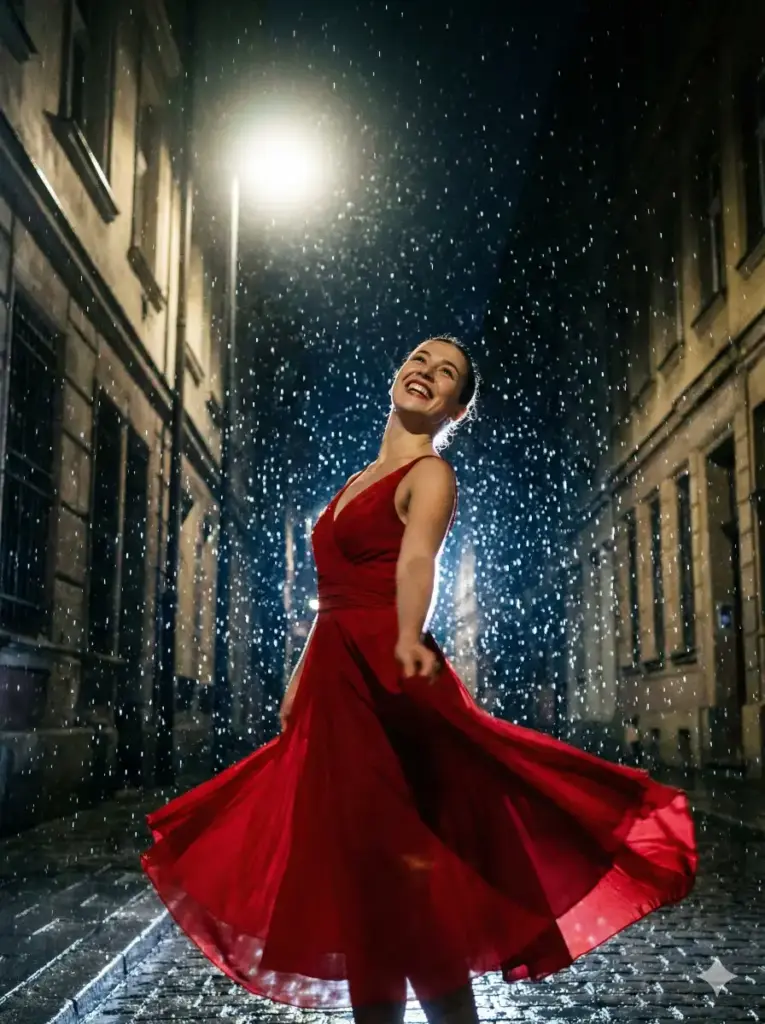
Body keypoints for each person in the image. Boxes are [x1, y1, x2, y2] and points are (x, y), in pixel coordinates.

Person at [141, 336, 698, 1024]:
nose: (427, 373)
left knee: (395, 879)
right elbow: (334, 593)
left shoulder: (430, 474)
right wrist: (299, 675)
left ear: (455, 410)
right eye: (419, 360)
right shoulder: (358, 479)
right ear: (398, 373)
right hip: (337, 682)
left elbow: (415, 563)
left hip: (388, 679)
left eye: (446, 374)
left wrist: (408, 632)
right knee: (370, 882)